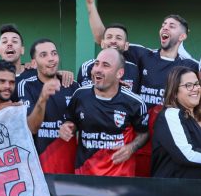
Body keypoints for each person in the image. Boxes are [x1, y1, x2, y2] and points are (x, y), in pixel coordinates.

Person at [85, 0, 197, 176]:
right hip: (141, 139)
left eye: (171, 26)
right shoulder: (143, 55)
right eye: (163, 24)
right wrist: (91, 4)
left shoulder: (189, 66)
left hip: (171, 140)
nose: (165, 27)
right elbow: (104, 40)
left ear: (182, 36)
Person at [59, 48, 149, 177]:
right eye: (96, 64)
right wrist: (67, 127)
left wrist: (131, 148)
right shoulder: (80, 95)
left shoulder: (135, 102)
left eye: (105, 65)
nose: (98, 69)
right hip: (85, 176)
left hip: (120, 179)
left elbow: (144, 134)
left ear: (119, 73)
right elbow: (71, 122)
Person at [19, 39, 78, 173]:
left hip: (69, 168)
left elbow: (80, 121)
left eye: (54, 53)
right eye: (43, 55)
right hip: (38, 169)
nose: (51, 59)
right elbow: (31, 127)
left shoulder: (73, 86)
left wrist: (71, 126)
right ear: (34, 63)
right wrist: (43, 98)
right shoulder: (26, 85)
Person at [77, 23, 140, 92]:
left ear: (126, 46)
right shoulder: (88, 66)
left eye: (118, 38)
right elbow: (86, 92)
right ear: (102, 44)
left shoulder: (134, 69)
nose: (113, 41)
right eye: (109, 37)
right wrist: (112, 85)